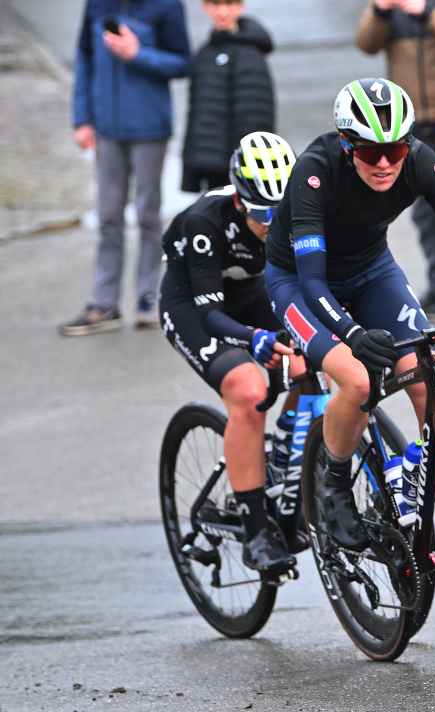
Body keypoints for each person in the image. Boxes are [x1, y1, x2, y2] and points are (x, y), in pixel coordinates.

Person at [263, 78, 435, 584]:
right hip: (302, 282)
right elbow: (310, 282)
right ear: (349, 146)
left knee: (427, 377)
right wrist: (351, 334)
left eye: (394, 150)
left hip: (372, 269)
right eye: (371, 152)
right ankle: (331, 486)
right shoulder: (314, 171)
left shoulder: (419, 161)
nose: (384, 164)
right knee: (355, 380)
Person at [160, 131, 301, 572]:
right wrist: (253, 339)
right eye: (262, 213)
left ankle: (283, 457)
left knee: (312, 364)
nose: (273, 224)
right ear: (239, 201)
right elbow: (212, 314)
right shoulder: (204, 222)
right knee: (248, 389)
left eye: (281, 212)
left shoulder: (294, 214)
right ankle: (257, 530)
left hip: (251, 293)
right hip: (195, 304)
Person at [62, 0, 191, 336]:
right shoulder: (97, 4)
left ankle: (149, 300)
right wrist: (82, 118)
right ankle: (105, 304)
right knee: (108, 217)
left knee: (148, 215)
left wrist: (138, 53)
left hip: (150, 129)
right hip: (106, 130)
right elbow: (85, 59)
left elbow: (181, 62)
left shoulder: (166, 6)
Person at [356, 0, 435, 322]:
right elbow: (366, 43)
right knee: (422, 212)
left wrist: (427, 11)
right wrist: (382, 11)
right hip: (409, 121)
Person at [181, 0, 276, 193]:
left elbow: (257, 116)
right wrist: (190, 171)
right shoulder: (204, 54)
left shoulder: (251, 54)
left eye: (229, 3)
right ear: (205, 7)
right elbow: (196, 115)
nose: (222, 11)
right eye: (215, 4)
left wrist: (249, 165)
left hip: (240, 171)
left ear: (241, 7)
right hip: (209, 168)